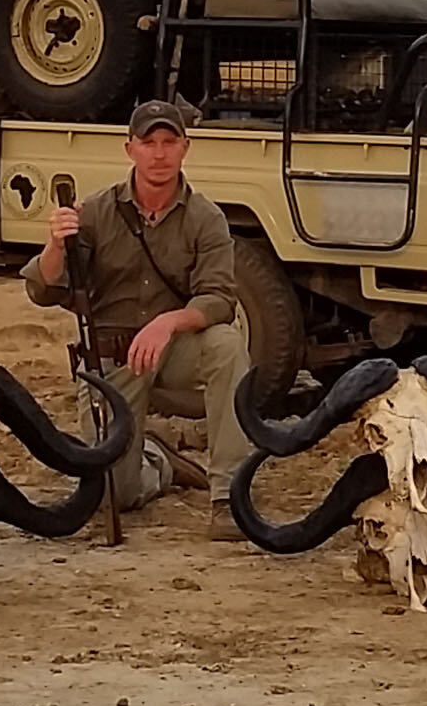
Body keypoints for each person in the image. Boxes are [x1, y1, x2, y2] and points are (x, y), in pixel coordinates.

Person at [22, 99, 255, 541]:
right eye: (149, 143)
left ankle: (229, 497)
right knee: (117, 495)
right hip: (114, 359)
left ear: (186, 147)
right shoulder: (94, 212)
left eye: (170, 142)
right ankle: (161, 460)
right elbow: (41, 289)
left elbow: (220, 299)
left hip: (173, 348)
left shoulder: (207, 218)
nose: (160, 153)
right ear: (130, 149)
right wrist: (55, 244)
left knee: (226, 345)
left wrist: (167, 324)